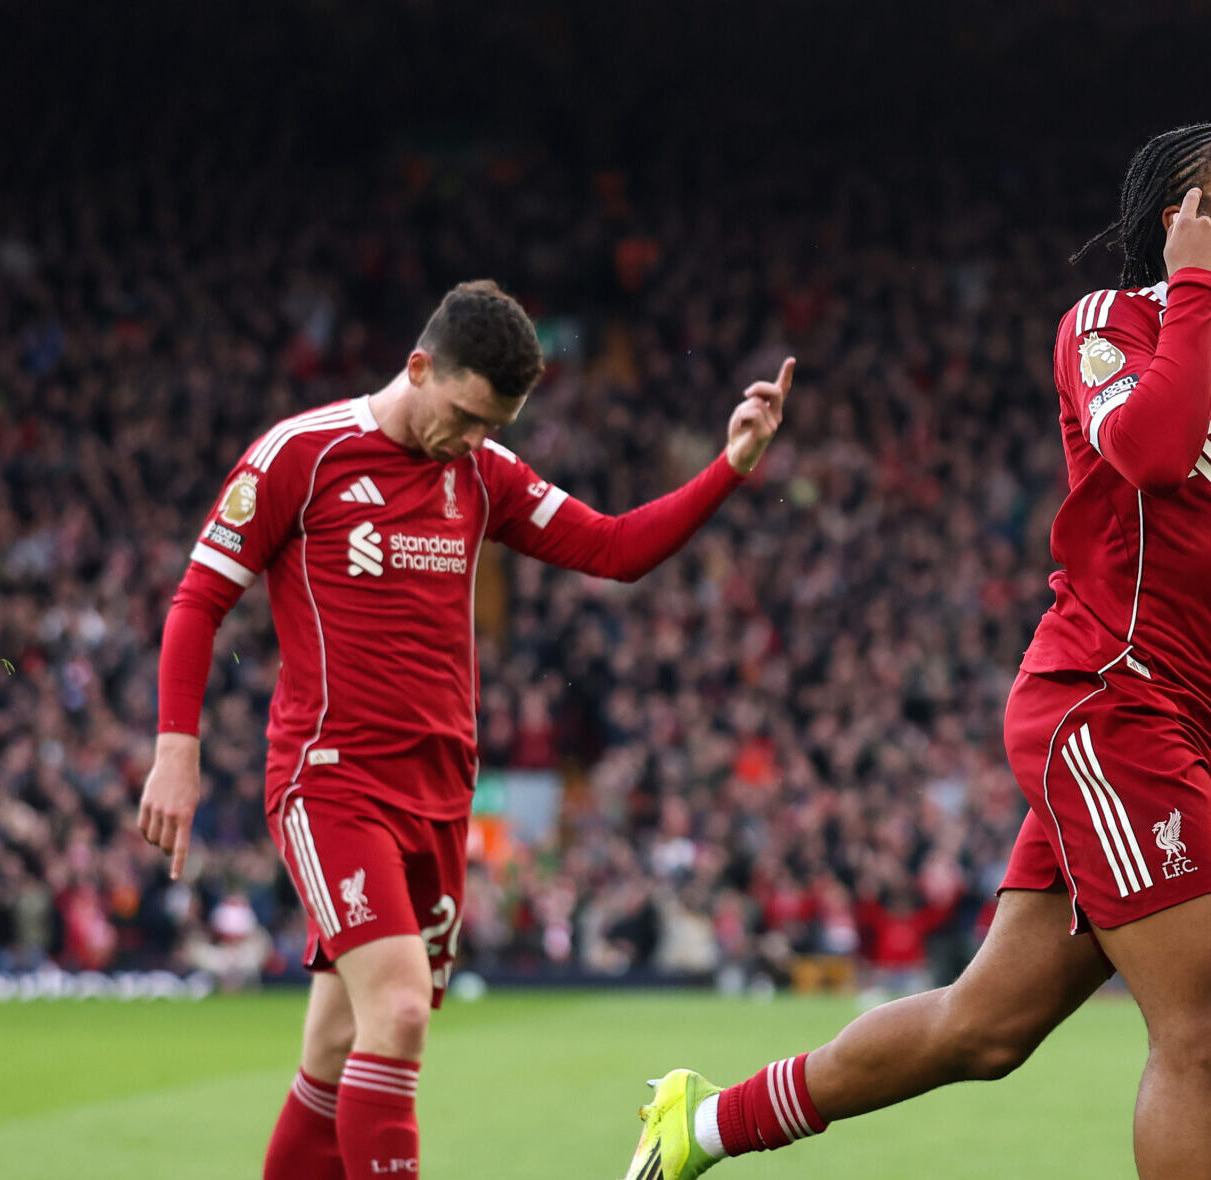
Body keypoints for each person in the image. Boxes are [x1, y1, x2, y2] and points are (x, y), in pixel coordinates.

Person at [621, 122, 1211, 1180]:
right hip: (1108, 705)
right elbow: (1152, 451)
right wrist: (1191, 291)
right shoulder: (1109, 323)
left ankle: (706, 1124)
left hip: (1183, 731)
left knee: (984, 1028)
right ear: (1184, 221)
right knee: (1206, 1028)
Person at [137, 279, 793, 1180]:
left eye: (494, 425)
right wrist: (178, 750)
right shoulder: (303, 454)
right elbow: (198, 599)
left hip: (439, 797)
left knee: (334, 1048)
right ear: (418, 367)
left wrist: (730, 467)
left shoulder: (483, 474)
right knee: (399, 1013)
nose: (474, 439)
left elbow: (615, 550)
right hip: (331, 780)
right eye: (465, 415)